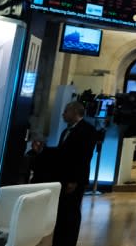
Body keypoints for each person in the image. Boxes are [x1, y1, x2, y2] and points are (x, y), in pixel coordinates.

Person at [35, 101, 98, 246]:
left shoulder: (88, 131)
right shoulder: (67, 131)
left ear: (75, 112)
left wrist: (74, 180)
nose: (63, 114)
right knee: (63, 212)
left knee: (71, 213)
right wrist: (43, 151)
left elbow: (83, 157)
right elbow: (62, 153)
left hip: (74, 180)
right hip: (63, 178)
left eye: (66, 111)